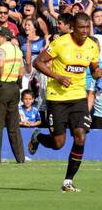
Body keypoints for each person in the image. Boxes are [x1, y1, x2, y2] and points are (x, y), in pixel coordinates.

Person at [31, 12, 102, 192]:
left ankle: (68, 181)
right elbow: (37, 62)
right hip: (57, 98)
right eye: (81, 28)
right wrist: (58, 76)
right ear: (73, 27)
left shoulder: (93, 46)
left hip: (78, 97)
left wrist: (96, 73)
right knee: (58, 143)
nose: (85, 31)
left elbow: (93, 68)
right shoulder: (60, 43)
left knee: (80, 136)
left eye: (87, 27)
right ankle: (38, 137)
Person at [0, 26, 25, 164]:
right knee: (13, 125)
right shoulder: (17, 49)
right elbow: (22, 69)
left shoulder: (1, 49)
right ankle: (20, 157)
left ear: (3, 37)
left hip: (2, 87)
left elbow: (0, 64)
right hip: (14, 87)